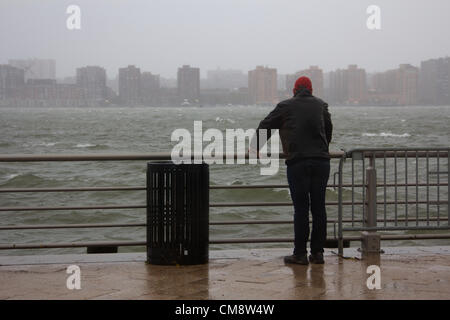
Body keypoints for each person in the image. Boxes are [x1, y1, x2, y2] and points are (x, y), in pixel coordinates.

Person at [257, 76, 332, 265]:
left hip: (298, 162)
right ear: (311, 90)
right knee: (319, 208)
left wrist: (255, 147)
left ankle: (299, 254)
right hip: (322, 162)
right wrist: (321, 149)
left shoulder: (285, 106)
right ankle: (318, 253)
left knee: (301, 209)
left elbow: (265, 126)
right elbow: (328, 130)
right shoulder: (321, 105)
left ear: (294, 90)